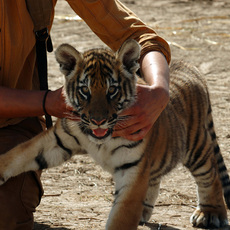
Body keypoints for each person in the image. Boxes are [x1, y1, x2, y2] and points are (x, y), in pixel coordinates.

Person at [0, 0, 171, 229]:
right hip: (34, 105)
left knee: (6, 213)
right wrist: (46, 101)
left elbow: (139, 37)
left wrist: (159, 91)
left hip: (14, 123)